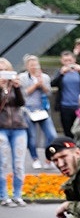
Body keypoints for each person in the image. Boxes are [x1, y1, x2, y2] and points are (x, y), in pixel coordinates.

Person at [18, 54, 57, 169]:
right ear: (27, 66)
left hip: (43, 109)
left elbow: (49, 92)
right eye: (32, 65)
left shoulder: (44, 77)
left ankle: (48, 158)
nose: (34, 67)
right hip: (28, 110)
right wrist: (35, 85)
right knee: (32, 137)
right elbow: (24, 93)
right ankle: (35, 158)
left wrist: (42, 84)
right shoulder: (22, 77)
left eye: (36, 64)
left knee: (52, 135)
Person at [0, 57, 28, 207]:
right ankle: (4, 196)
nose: (3, 74)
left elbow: (22, 103)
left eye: (5, 71)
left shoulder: (15, 85)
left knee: (18, 163)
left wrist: (17, 87)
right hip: (1, 127)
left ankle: (18, 195)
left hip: (18, 126)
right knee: (2, 163)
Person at [51, 51, 80, 139]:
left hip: (79, 106)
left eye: (70, 60)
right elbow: (53, 83)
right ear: (62, 61)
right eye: (66, 61)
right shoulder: (60, 72)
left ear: (74, 60)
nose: (68, 63)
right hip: (65, 106)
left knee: (79, 130)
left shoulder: (79, 72)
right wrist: (61, 74)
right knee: (67, 131)